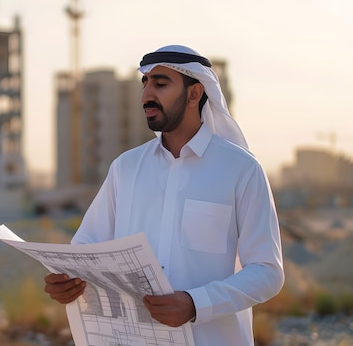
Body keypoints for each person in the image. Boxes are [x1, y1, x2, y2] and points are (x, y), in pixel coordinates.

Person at [44, 45, 284, 345]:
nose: (146, 96)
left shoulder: (241, 170)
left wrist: (195, 304)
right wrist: (68, 281)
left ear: (195, 93)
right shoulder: (126, 168)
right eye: (144, 84)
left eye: (160, 84)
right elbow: (87, 247)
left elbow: (267, 272)